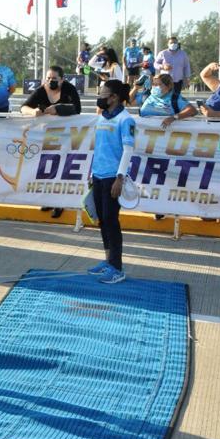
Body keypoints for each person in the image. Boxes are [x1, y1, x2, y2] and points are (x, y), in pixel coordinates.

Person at [87, 79, 136, 285]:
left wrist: (119, 177)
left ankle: (117, 268)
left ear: (114, 97)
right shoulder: (102, 118)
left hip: (112, 178)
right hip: (98, 176)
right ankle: (108, 261)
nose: (100, 96)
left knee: (111, 220)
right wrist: (91, 173)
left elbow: (128, 150)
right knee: (102, 220)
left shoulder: (125, 119)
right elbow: (98, 148)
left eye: (103, 93)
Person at [21, 66, 81, 219]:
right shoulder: (42, 90)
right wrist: (32, 111)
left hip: (67, 136)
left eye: (54, 79)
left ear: (62, 79)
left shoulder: (69, 89)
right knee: (46, 168)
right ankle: (48, 199)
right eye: (48, 78)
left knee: (62, 169)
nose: (50, 81)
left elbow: (77, 108)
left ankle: (59, 203)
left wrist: (58, 109)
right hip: (46, 136)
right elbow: (23, 107)